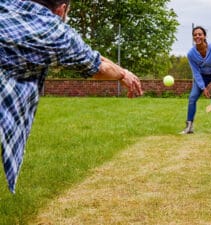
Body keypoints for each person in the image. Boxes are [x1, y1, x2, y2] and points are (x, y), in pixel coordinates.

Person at [0, 0, 143, 193]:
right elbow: (98, 68)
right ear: (62, 8)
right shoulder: (54, 30)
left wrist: (122, 71)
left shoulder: (8, 4)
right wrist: (124, 75)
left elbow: (92, 56)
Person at [181, 26, 211, 135]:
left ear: (204, 36)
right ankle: (189, 127)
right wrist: (203, 87)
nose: (197, 36)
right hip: (202, 76)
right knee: (192, 97)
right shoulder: (191, 54)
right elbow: (196, 72)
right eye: (195, 35)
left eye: (200, 34)